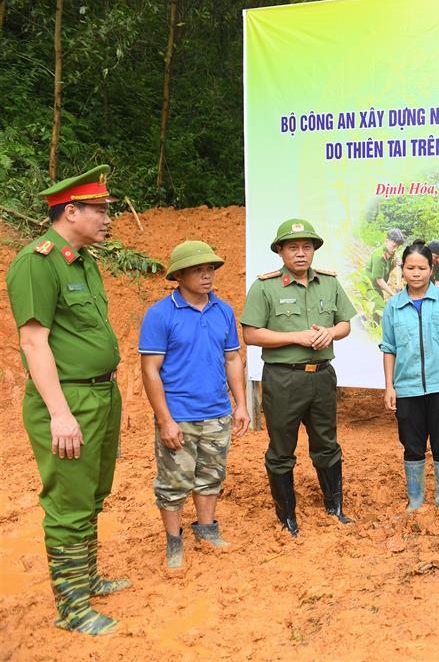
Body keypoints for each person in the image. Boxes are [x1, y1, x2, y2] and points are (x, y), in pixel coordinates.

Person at [6, 165, 128, 635]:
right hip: (68, 399)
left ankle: (87, 578)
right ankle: (71, 607)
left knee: (93, 492)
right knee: (69, 501)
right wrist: (59, 414)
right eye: (99, 210)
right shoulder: (38, 261)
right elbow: (35, 343)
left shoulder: (85, 261)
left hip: (101, 393)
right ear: (70, 211)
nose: (107, 218)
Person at [241, 219, 357, 536]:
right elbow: (251, 334)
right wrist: (298, 337)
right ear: (280, 251)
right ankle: (287, 515)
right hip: (283, 379)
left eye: (307, 247)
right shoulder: (264, 287)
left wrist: (331, 332)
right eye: (293, 247)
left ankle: (335, 506)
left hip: (321, 377)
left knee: (326, 443)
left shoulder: (330, 283)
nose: (301, 253)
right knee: (281, 448)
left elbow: (345, 324)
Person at [138, 240, 250, 568]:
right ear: (179, 275)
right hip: (179, 415)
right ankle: (174, 541)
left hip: (217, 412)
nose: (207, 275)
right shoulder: (160, 314)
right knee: (173, 482)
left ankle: (206, 528)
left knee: (211, 475)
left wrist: (240, 404)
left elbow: (232, 359)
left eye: (210, 269)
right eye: (198, 270)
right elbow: (150, 369)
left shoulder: (224, 311)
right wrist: (165, 420)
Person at [380, 241, 439, 511]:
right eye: (410, 268)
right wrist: (389, 386)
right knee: (412, 446)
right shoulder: (394, 307)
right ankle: (416, 500)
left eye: (422, 267)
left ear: (432, 269)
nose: (416, 273)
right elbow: (389, 348)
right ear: (402, 269)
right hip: (407, 389)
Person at [363, 228, 405, 322]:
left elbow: (390, 267)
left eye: (397, 247)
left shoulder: (391, 253)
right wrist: (393, 294)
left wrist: (395, 263)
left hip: (377, 288)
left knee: (378, 312)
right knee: (381, 311)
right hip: (369, 286)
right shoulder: (379, 256)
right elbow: (379, 280)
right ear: (386, 241)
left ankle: (371, 326)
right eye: (394, 246)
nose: (395, 249)